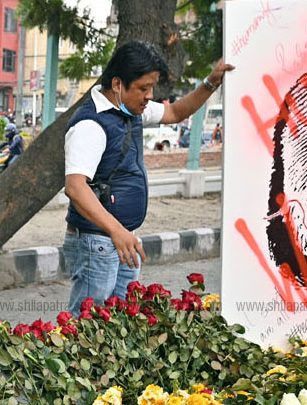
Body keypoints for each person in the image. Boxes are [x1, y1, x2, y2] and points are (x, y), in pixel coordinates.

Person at [62, 40, 233, 313]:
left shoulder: (131, 110)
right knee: (85, 326)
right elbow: (75, 187)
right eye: (143, 88)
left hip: (122, 238)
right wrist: (116, 231)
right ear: (117, 84)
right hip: (97, 242)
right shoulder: (90, 125)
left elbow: (175, 112)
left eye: (151, 87)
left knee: (121, 322)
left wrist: (210, 83)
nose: (149, 96)